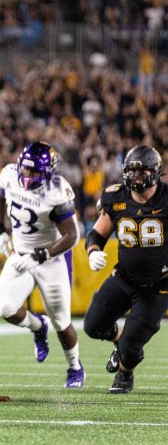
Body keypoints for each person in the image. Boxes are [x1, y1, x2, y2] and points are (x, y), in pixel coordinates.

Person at [0, 142, 84, 388]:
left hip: (51, 259)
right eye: (26, 170)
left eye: (35, 172)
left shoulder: (57, 191)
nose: (28, 176)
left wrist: (41, 256)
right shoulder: (10, 175)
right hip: (21, 253)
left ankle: (75, 367)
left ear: (48, 172)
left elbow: (71, 236)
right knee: (5, 308)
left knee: (62, 321)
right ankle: (37, 326)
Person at [83, 145, 168, 394]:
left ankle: (124, 373)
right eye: (131, 172)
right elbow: (97, 234)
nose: (135, 177)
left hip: (158, 286)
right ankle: (121, 345)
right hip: (124, 278)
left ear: (155, 172)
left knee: (133, 342)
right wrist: (93, 252)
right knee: (93, 325)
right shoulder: (116, 197)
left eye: (141, 172)